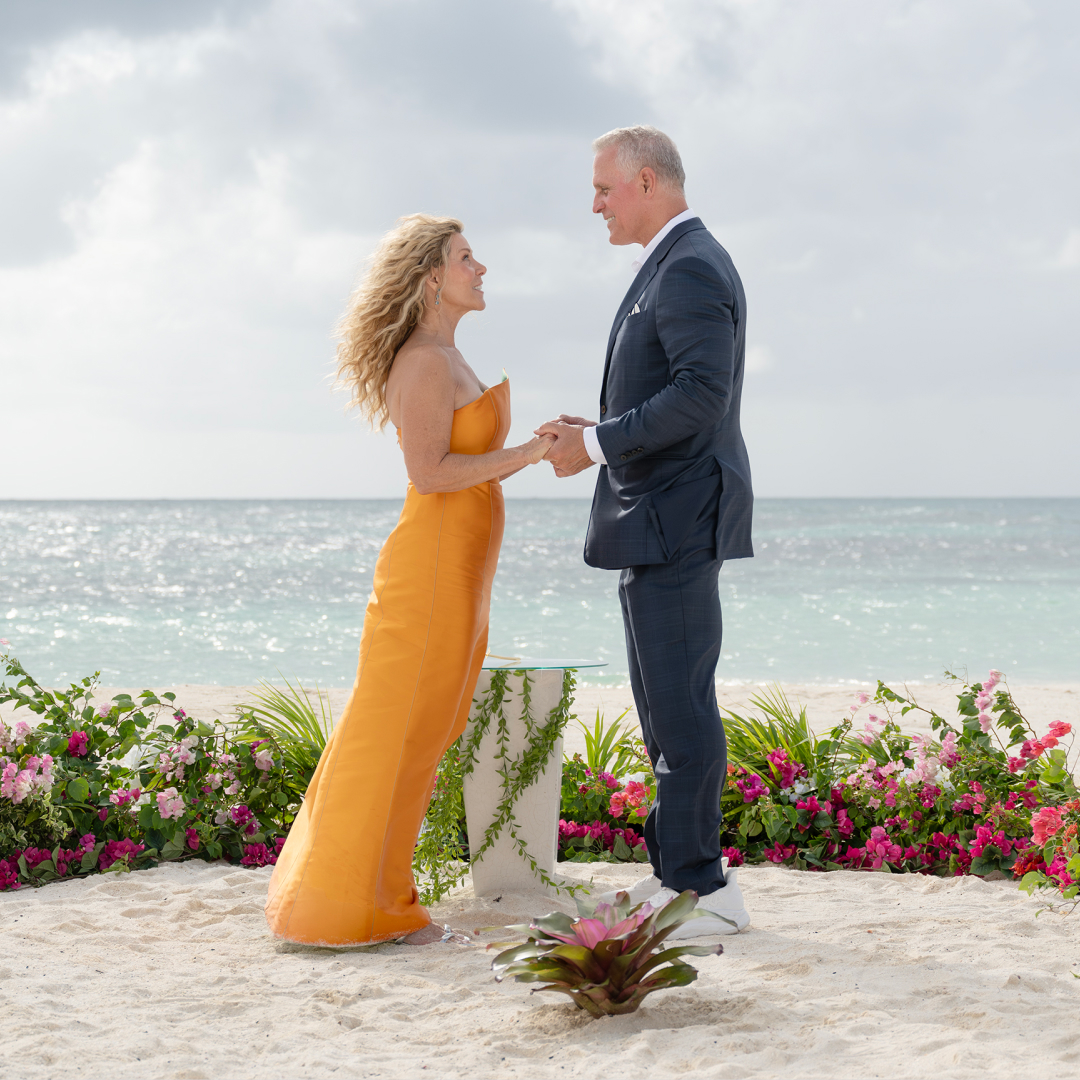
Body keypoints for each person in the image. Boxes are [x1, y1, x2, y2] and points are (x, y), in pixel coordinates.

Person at [265, 215, 554, 946]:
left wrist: (534, 446)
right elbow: (429, 473)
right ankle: (342, 906)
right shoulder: (424, 361)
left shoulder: (449, 356)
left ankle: (385, 899)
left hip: (460, 577)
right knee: (391, 732)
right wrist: (524, 454)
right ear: (431, 276)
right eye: (466, 258)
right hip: (429, 575)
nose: (481, 268)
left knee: (423, 735)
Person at [537, 126, 754, 938]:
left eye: (603, 188)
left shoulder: (691, 265)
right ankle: (677, 880)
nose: (593, 204)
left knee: (682, 710)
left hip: (678, 519)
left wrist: (594, 444)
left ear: (649, 182)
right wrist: (601, 431)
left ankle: (706, 891)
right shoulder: (669, 264)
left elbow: (702, 395)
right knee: (664, 710)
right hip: (655, 518)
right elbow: (676, 396)